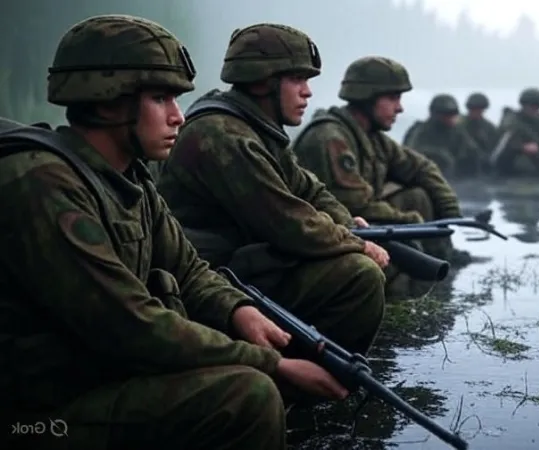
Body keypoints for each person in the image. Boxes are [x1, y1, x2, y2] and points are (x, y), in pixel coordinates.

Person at [0, 15, 345, 450]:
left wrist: (238, 310)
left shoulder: (128, 178)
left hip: (93, 381)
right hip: (36, 417)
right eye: (161, 98)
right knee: (247, 396)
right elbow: (130, 325)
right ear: (109, 104)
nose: (178, 116)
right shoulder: (42, 184)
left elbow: (189, 270)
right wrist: (270, 364)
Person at [156, 24, 387, 358]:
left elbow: (308, 188)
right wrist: (357, 243)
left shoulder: (256, 128)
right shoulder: (223, 134)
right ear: (262, 81)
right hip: (206, 283)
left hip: (239, 268)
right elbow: (288, 224)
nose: (307, 92)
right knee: (360, 274)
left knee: (350, 263)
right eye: (297, 79)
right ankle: (301, 378)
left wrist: (347, 221)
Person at [290, 56, 470, 266]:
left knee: (418, 195)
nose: (399, 108)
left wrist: (450, 211)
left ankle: (440, 259)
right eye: (393, 98)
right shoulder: (330, 138)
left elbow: (421, 168)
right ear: (367, 97)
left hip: (356, 228)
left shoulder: (373, 137)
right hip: (326, 240)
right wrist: (412, 220)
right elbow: (356, 206)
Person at [402, 93, 484, 178]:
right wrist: (439, 155)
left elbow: (473, 152)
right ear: (436, 114)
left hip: (455, 179)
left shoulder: (457, 132)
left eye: (454, 114)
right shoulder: (420, 130)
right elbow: (409, 154)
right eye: (447, 114)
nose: (451, 118)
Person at [492, 88, 539, 176]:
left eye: (538, 107)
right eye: (532, 106)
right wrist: (522, 147)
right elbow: (500, 148)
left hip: (538, 167)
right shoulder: (511, 122)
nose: (535, 110)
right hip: (512, 167)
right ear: (524, 105)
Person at [459, 92, 500, 169]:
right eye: (473, 109)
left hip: (481, 165)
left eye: (479, 109)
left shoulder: (489, 127)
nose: (476, 112)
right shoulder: (458, 124)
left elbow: (494, 148)